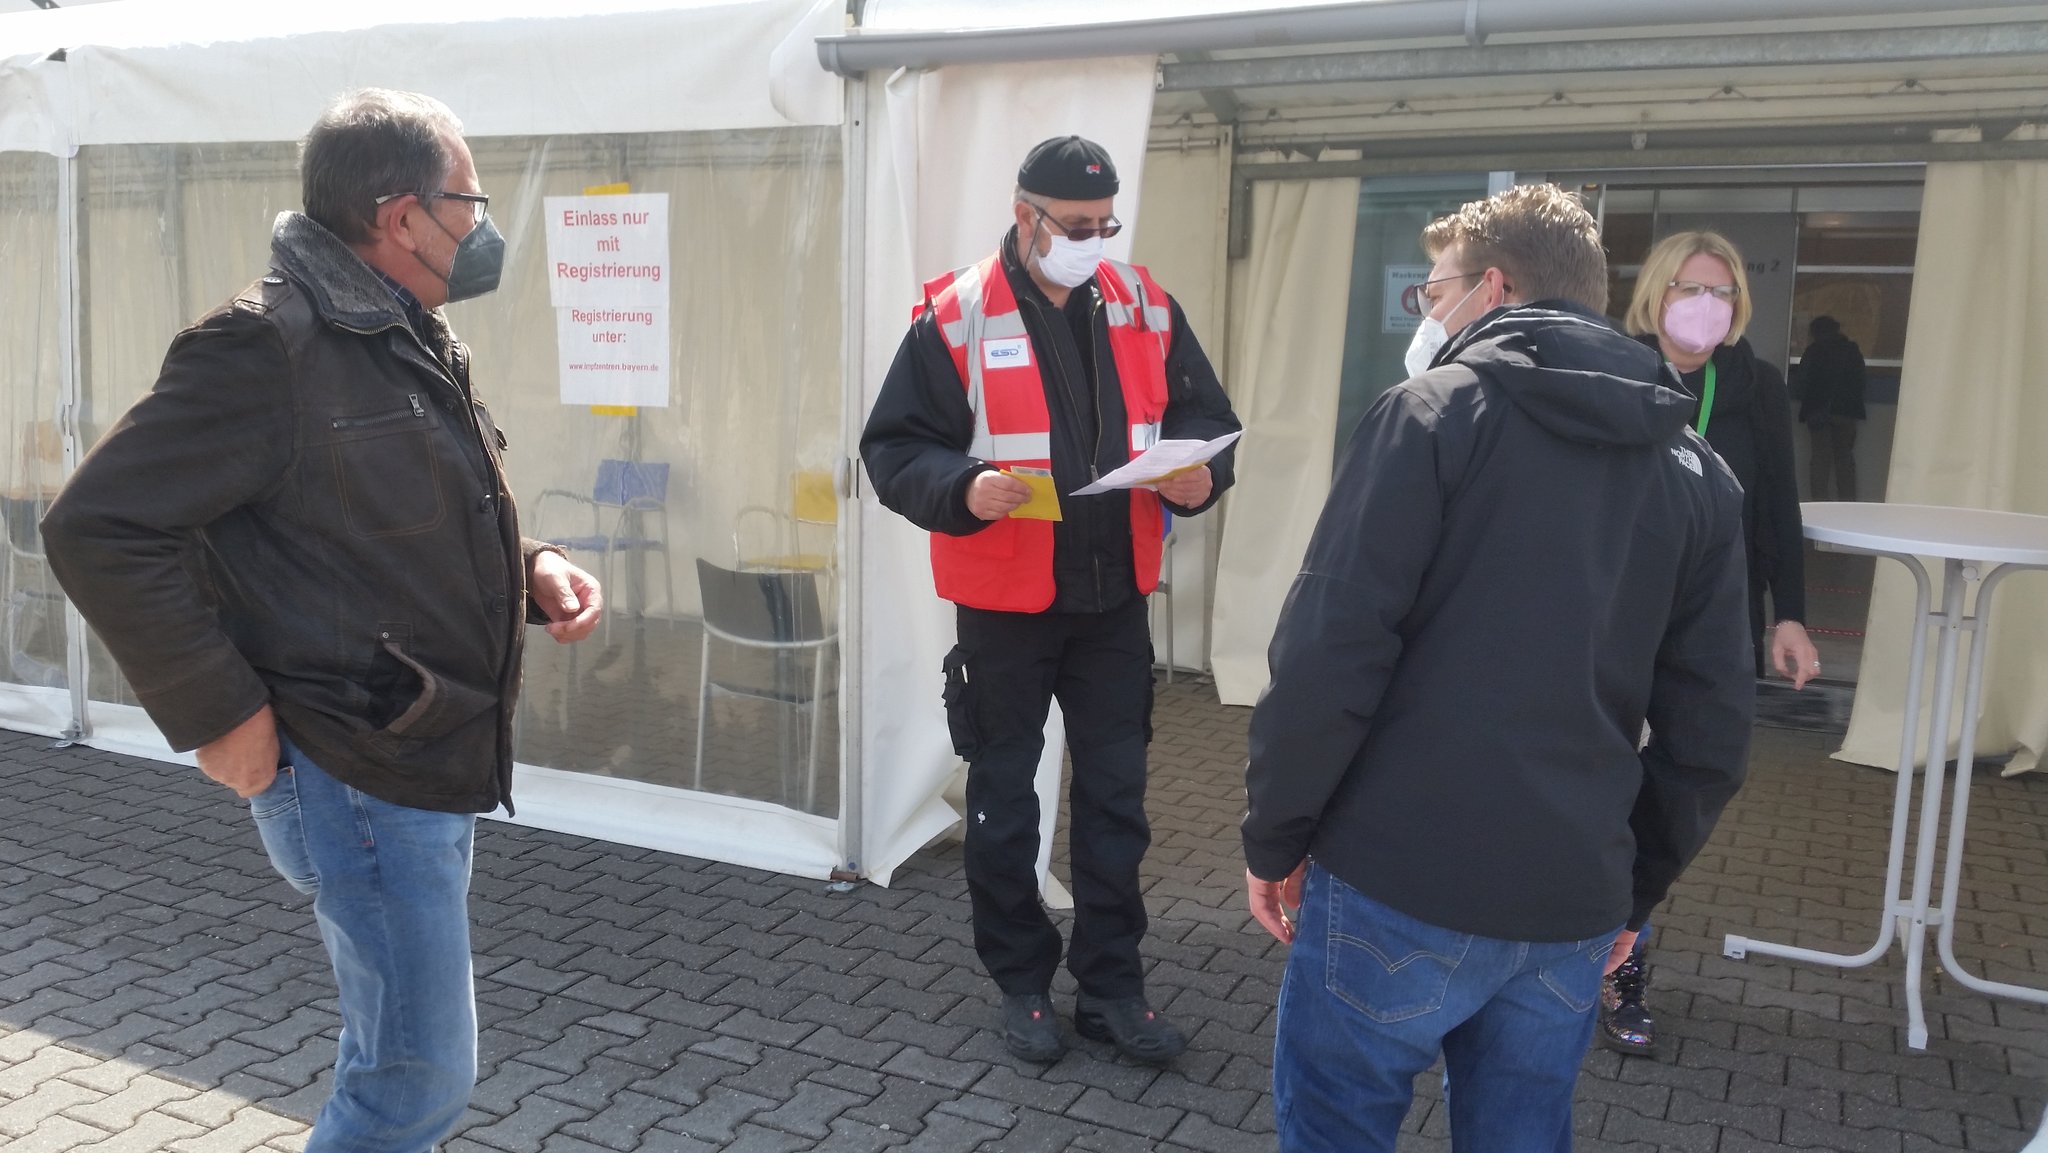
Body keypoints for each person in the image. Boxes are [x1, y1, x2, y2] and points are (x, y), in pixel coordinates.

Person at [41, 89, 604, 1153]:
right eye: (469, 201)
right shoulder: (268, 344)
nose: (483, 227)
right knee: (414, 1081)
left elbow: (385, 518)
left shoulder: (402, 329)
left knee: (400, 1065)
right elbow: (98, 526)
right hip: (354, 767)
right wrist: (223, 717)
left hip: (415, 751)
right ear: (401, 216)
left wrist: (533, 566)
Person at [1242, 184, 1754, 1152]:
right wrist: (1632, 894)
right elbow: (1712, 730)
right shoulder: (1695, 474)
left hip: (1397, 875)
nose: (1428, 311)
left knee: (1337, 1127)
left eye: (1432, 291)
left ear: (1491, 286)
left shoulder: (1429, 416)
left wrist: (1274, 834)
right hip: (1570, 896)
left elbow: (1327, 652)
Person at [862, 135, 1240, 1064]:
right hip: (1006, 605)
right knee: (1003, 801)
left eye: (1106, 225)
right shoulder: (954, 313)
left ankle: (1113, 986)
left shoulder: (1145, 302)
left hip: (1114, 601)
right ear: (1025, 213)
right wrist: (962, 486)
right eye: (1076, 226)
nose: (1093, 241)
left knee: (1118, 801)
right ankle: (1023, 984)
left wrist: (1203, 474)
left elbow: (1203, 420)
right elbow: (894, 449)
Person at [1603, 231, 1823, 1055]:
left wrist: (1790, 614)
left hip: (1713, 615)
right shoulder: (1616, 369)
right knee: (1604, 777)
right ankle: (1611, 960)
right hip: (1623, 613)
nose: (1707, 305)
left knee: (1691, 775)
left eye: (1724, 292)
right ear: (1655, 293)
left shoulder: (1754, 384)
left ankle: (1621, 922)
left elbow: (1776, 504)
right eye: (1692, 287)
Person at [1798, 314, 1868, 502]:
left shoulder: (1813, 351)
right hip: (1847, 411)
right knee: (1844, 460)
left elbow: (1802, 381)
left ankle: (1819, 504)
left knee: (1820, 460)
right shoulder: (1852, 350)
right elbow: (1861, 380)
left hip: (1818, 411)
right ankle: (1848, 504)